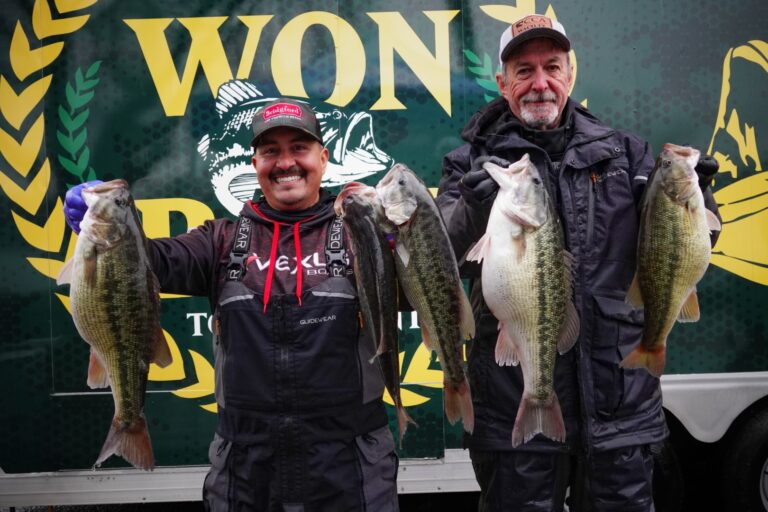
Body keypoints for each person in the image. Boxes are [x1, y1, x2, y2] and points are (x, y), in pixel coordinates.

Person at [436, 14, 720, 512]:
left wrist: (700, 200)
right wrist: (473, 207)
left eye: (551, 67)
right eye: (523, 71)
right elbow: (442, 259)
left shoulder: (628, 155)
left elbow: (682, 248)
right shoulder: (468, 165)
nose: (539, 83)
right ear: (503, 85)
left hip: (619, 406)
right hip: (512, 409)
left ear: (571, 76)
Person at [64, 98, 400, 511]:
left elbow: (439, 261)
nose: (285, 162)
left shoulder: (361, 234)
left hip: (349, 469)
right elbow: (153, 262)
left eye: (299, 148)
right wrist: (101, 225)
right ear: (255, 162)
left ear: (323, 158)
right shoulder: (219, 240)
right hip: (247, 470)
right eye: (270, 151)